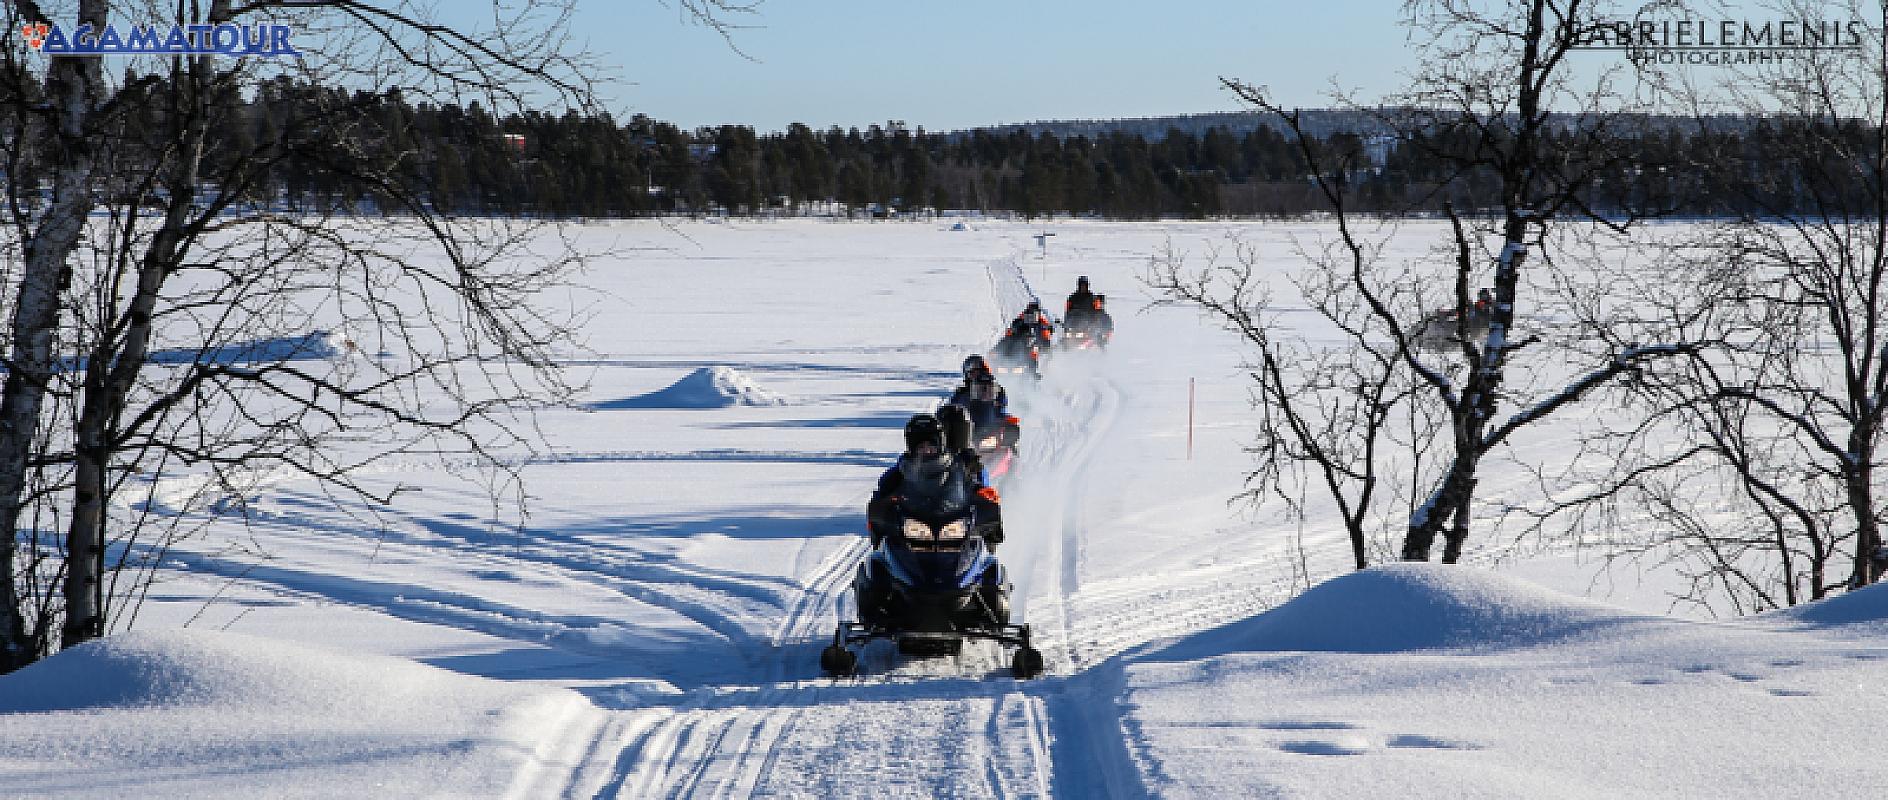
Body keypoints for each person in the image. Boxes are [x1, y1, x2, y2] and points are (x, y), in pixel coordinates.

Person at [867, 413, 1003, 549]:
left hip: (953, 524)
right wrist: (885, 506)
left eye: (931, 446)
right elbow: (882, 492)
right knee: (879, 558)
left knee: (986, 558)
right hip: (913, 529)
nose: (926, 450)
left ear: (940, 445)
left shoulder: (955, 467)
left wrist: (983, 497)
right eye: (921, 447)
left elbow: (972, 486)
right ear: (912, 448)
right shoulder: (902, 470)